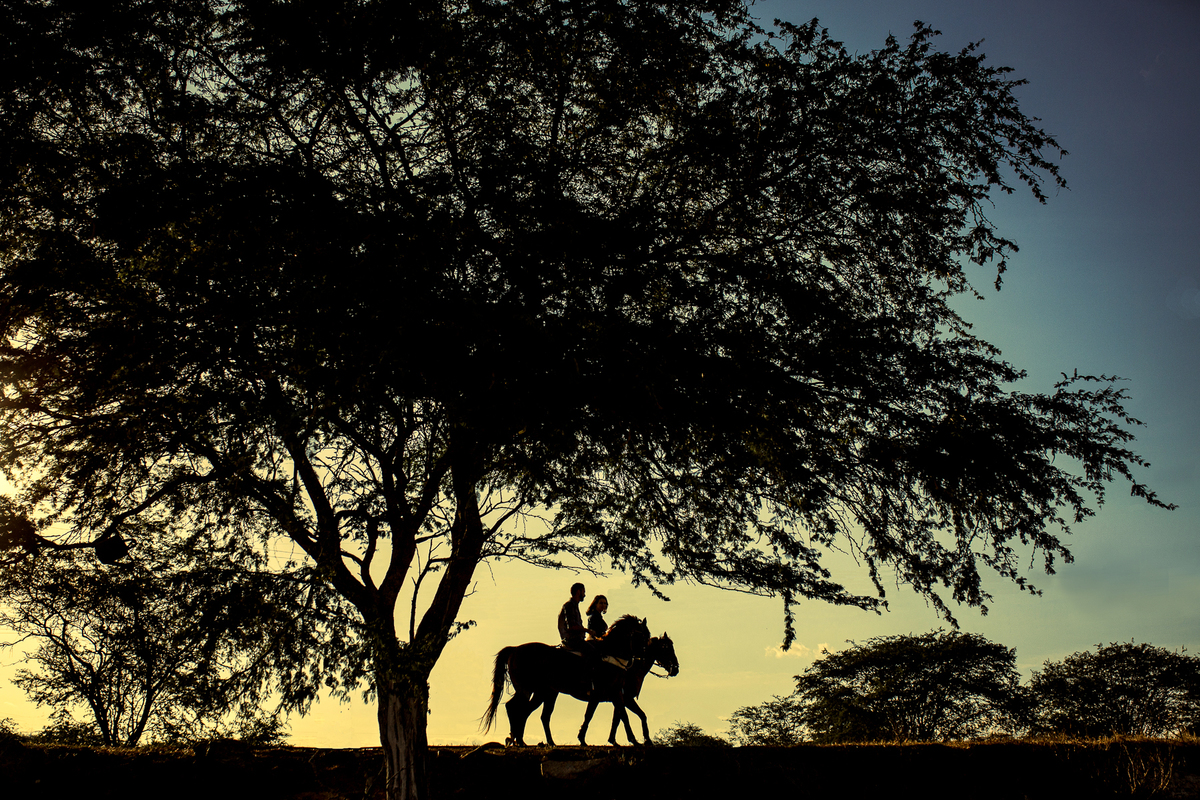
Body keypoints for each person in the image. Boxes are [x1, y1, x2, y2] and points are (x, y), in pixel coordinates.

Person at [557, 582, 589, 651]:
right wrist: (587, 630)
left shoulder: (573, 606)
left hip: (575, 640)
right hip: (573, 640)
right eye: (583, 592)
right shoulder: (570, 606)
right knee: (594, 652)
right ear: (578, 592)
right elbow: (572, 626)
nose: (584, 595)